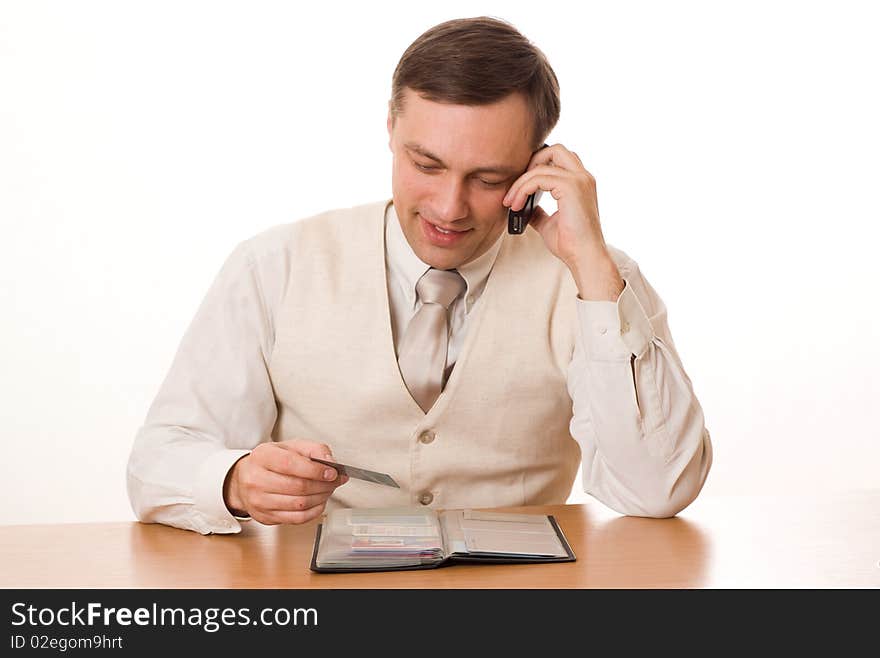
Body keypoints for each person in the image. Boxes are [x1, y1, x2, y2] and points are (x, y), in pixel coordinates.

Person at [127, 16, 712, 535]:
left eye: (488, 179)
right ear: (389, 128)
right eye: (425, 165)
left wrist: (593, 271)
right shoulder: (274, 265)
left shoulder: (595, 282)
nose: (448, 207)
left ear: (538, 167)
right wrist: (234, 480)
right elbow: (159, 462)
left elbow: (657, 489)